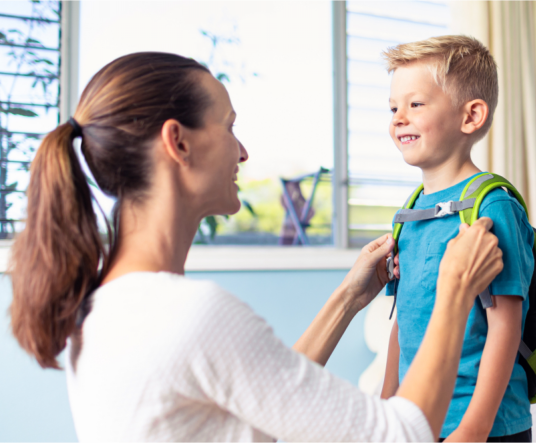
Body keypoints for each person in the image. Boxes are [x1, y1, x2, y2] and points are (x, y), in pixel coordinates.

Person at [8, 52, 504, 443]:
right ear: (177, 143)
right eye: (228, 126)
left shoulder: (113, 304)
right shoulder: (189, 314)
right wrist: (455, 287)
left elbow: (260, 401)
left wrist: (349, 299)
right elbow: (401, 434)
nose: (243, 151)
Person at [379, 36, 535, 443]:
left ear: (471, 116)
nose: (398, 118)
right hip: (419, 417)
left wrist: (474, 428)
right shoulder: (411, 211)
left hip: (484, 427)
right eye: (393, 107)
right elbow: (404, 318)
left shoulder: (491, 206)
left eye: (415, 104)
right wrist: (385, 404)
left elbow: (506, 326)